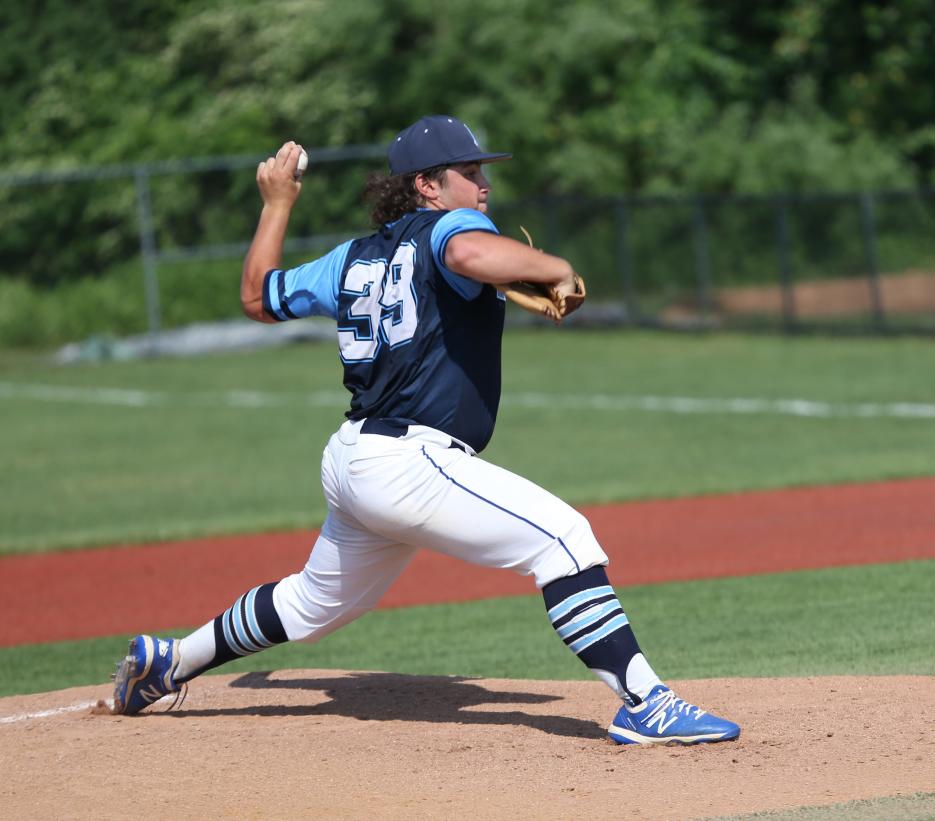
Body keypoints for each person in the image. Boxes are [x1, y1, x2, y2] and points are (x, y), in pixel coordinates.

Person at [112, 115, 740, 746]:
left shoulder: (350, 258)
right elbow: (464, 251)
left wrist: (277, 204)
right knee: (564, 541)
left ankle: (171, 661)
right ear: (428, 187)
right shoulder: (454, 226)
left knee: (311, 605)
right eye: (468, 173)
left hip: (354, 458)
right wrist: (555, 265)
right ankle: (645, 704)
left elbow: (258, 298)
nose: (482, 184)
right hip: (409, 463)